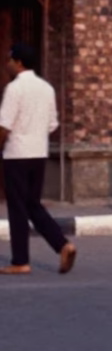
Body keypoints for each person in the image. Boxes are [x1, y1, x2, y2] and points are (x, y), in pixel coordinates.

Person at [0, 42, 76, 275]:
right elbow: (53, 124)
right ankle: (63, 245)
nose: (7, 64)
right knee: (32, 204)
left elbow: (4, 125)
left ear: (19, 62)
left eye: (10, 60)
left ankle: (20, 261)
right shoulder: (47, 88)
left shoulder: (14, 89)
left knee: (18, 208)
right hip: (39, 153)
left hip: (17, 155)